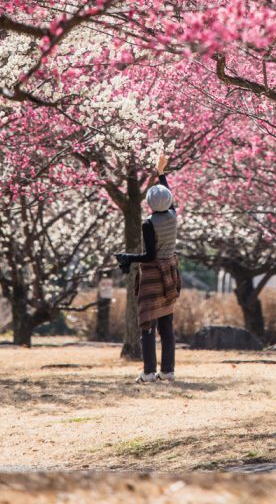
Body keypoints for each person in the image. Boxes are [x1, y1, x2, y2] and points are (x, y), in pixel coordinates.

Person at [116, 154, 181, 383]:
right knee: (166, 325)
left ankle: (149, 372)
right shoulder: (172, 217)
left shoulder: (148, 224)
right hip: (171, 273)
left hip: (153, 275)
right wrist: (161, 172)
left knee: (147, 324)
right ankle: (168, 371)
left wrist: (128, 257)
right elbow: (167, 193)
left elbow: (150, 255)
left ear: (149, 204)